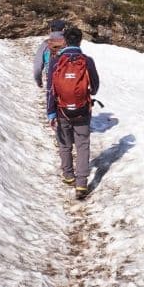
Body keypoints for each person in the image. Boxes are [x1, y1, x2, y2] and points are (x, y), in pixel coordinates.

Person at [47, 26, 100, 200]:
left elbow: (50, 90)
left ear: (65, 40)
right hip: (82, 110)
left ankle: (68, 175)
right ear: (80, 40)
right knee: (82, 145)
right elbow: (95, 87)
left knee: (64, 144)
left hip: (62, 110)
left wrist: (51, 113)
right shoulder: (87, 60)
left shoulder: (56, 61)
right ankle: (81, 184)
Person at [33, 19, 67, 88]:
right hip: (69, 81)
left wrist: (39, 81)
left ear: (51, 30)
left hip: (51, 81)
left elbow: (37, 66)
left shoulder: (45, 44)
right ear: (64, 30)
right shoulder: (69, 43)